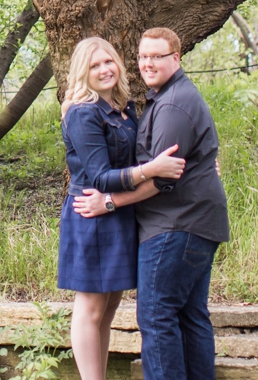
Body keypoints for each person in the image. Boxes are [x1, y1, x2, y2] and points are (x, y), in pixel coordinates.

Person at [78, 27, 228, 380]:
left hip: (176, 226)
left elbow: (162, 180)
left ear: (175, 58)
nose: (147, 63)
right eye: (143, 56)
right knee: (190, 316)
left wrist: (110, 203)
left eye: (156, 56)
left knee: (157, 316)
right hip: (192, 223)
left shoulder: (174, 104)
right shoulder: (164, 98)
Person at [59, 36, 187, 380]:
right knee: (91, 307)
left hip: (116, 212)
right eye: (94, 65)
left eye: (108, 62)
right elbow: (100, 177)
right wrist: (151, 171)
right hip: (91, 214)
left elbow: (141, 152)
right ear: (81, 73)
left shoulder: (124, 108)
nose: (104, 70)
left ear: (118, 63)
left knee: (110, 305)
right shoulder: (83, 113)